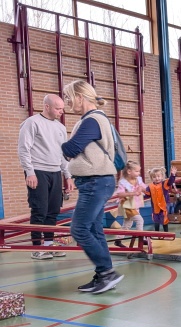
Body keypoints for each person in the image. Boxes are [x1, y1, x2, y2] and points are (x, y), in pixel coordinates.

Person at [60, 80, 123, 294]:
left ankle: (107, 273)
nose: (67, 102)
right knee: (94, 229)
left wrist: (62, 144)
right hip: (96, 181)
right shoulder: (93, 119)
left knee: (78, 229)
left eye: (69, 97)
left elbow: (72, 148)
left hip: (95, 182)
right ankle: (102, 275)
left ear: (80, 97)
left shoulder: (92, 120)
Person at [17, 94, 74, 260]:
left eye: (62, 108)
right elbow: (23, 149)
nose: (61, 111)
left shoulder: (61, 128)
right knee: (39, 211)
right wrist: (30, 172)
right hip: (38, 171)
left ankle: (48, 246)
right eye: (58, 108)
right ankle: (37, 248)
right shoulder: (32, 122)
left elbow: (63, 153)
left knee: (53, 212)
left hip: (55, 172)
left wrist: (67, 176)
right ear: (47, 106)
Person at [114, 161, 147, 248]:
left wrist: (141, 188)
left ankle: (118, 240)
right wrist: (132, 193)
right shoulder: (123, 182)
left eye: (139, 171)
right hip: (127, 206)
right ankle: (141, 238)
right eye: (136, 171)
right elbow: (119, 194)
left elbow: (144, 188)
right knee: (140, 220)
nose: (139, 173)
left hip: (135, 205)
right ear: (129, 171)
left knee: (127, 224)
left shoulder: (138, 179)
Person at [146, 166, 177, 232]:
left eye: (158, 176)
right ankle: (157, 233)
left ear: (162, 176)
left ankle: (166, 233)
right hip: (155, 207)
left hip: (164, 205)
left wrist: (173, 175)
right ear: (151, 178)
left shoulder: (164, 184)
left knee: (164, 218)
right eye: (154, 177)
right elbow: (147, 195)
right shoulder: (150, 186)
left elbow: (170, 182)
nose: (157, 178)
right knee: (156, 219)